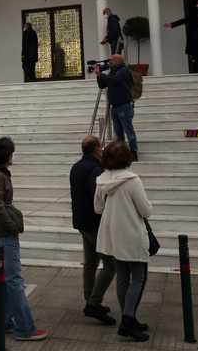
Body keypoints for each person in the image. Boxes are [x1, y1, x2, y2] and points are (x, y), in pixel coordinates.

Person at [0, 136, 47, 341]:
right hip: (3, 234)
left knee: (5, 280)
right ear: (7, 155)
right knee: (14, 280)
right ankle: (25, 328)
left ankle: (3, 321)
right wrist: (12, 227)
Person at [94, 141, 153, 342]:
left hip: (112, 234)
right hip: (130, 233)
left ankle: (129, 317)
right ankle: (128, 320)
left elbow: (98, 208)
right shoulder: (132, 180)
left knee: (122, 277)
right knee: (138, 276)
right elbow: (146, 210)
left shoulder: (102, 179)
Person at [69, 136, 117, 326]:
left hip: (82, 220)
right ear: (96, 150)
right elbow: (98, 197)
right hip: (94, 222)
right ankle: (94, 302)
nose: (103, 149)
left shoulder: (77, 166)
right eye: (101, 147)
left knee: (90, 262)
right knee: (110, 263)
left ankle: (90, 298)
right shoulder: (94, 169)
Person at [92, 54, 139, 161]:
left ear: (118, 61)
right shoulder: (112, 72)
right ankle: (121, 151)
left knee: (128, 129)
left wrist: (101, 75)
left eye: (112, 60)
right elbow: (103, 85)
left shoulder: (124, 71)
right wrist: (99, 75)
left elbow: (114, 80)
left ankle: (133, 150)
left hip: (124, 106)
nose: (110, 62)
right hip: (114, 107)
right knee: (118, 131)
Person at [164, 0, 198, 73]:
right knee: (197, 56)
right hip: (196, 39)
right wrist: (171, 24)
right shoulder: (194, 14)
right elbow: (184, 20)